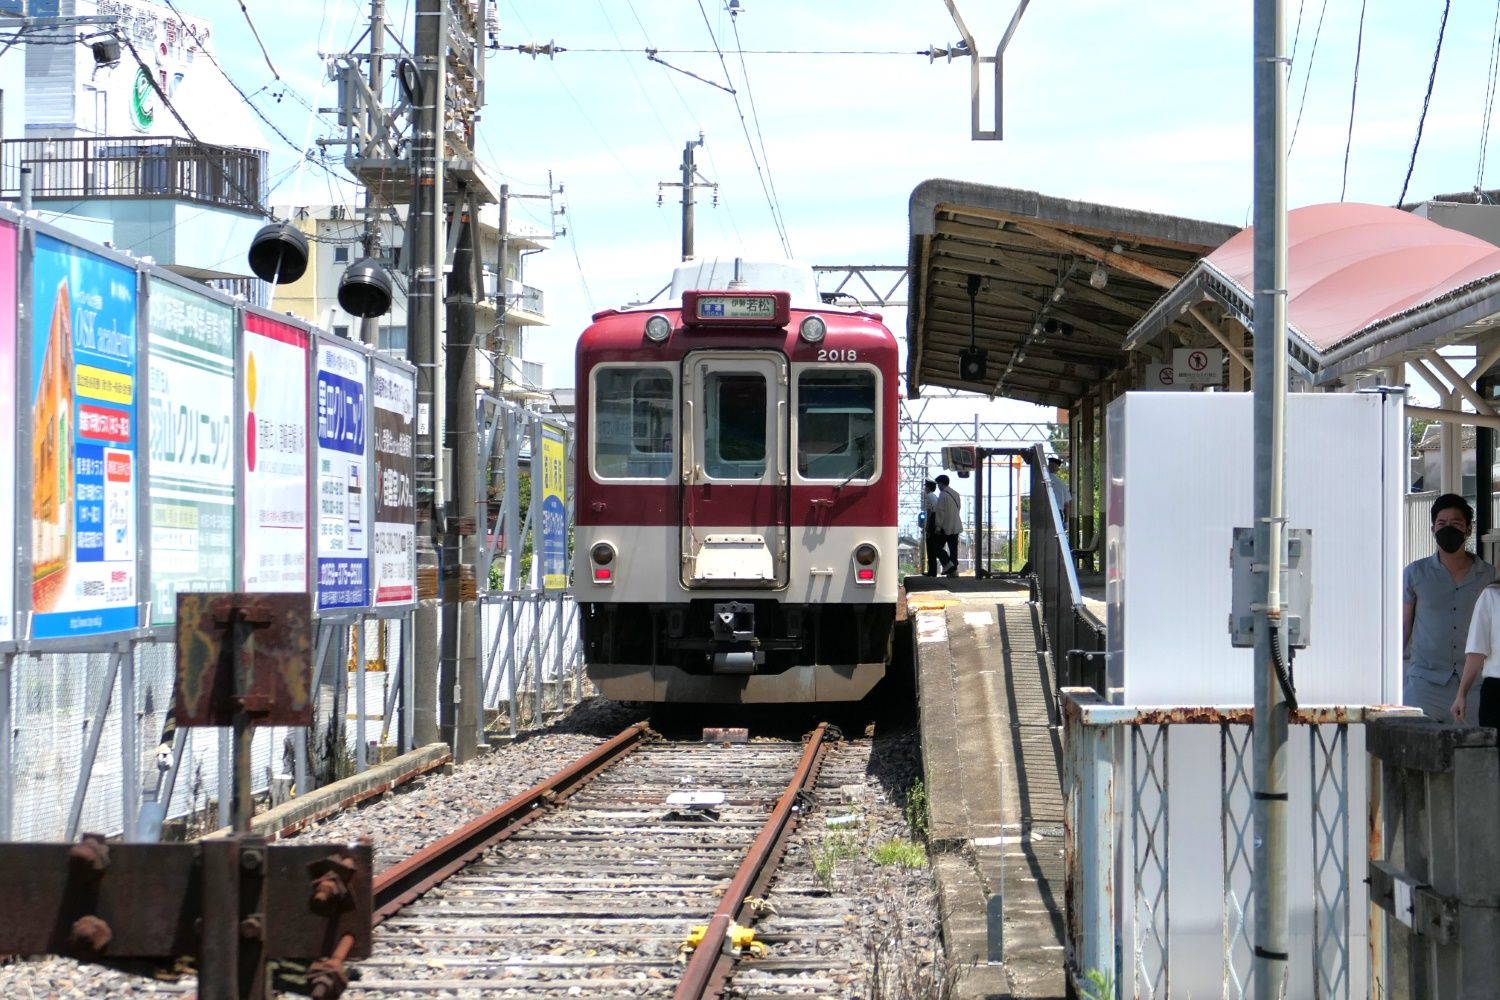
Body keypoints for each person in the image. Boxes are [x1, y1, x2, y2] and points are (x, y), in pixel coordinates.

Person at [1403, 494, 1497, 721]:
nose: (1448, 529)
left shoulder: (1489, 576)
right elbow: (1404, 627)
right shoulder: (1415, 573)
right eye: (1441, 524)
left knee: (1470, 753)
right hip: (1424, 684)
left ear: (1468, 530)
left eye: (1456, 524)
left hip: (1474, 686)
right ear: (1433, 529)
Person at [1455, 578, 1500, 728]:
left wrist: (1461, 695)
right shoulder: (1491, 595)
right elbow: (1477, 651)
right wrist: (1461, 694)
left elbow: (1477, 650)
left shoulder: (1491, 596)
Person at [933, 474, 963, 577]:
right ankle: (953, 572)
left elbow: (940, 512)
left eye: (938, 484)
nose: (938, 487)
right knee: (953, 550)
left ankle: (947, 564)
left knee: (936, 547)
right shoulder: (956, 494)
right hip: (956, 525)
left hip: (946, 526)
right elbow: (958, 508)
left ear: (941, 483)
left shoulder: (943, 495)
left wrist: (938, 526)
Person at [921, 479, 941, 576]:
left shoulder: (929, 497)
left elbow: (929, 512)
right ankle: (933, 571)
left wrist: (927, 526)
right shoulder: (935, 497)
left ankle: (931, 571)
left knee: (930, 548)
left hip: (932, 523)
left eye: (925, 487)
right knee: (933, 548)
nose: (924, 489)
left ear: (928, 488)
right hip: (936, 522)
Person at [1048, 455, 1072, 522]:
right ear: (1057, 470)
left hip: (1044, 513)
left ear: (1048, 467)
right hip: (1057, 514)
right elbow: (1066, 504)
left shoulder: (1040, 481)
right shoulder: (1062, 485)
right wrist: (1066, 520)